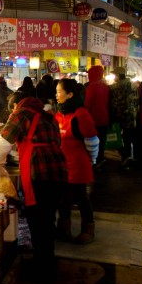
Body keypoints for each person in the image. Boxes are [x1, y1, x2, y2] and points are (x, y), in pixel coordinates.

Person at [0, 90, 68, 284]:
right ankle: (47, 261)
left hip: (39, 172)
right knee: (48, 217)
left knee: (38, 219)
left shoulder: (22, 113)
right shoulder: (47, 115)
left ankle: (42, 270)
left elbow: (2, 142)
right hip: (58, 170)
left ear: (16, 105)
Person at [55, 79, 99, 244]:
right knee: (63, 199)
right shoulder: (59, 114)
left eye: (59, 91)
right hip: (62, 166)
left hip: (78, 165)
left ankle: (88, 229)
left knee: (81, 198)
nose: (56, 94)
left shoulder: (81, 113)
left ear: (70, 94)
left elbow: (92, 139)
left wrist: (92, 158)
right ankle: (64, 228)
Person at [109, 67, 137, 169]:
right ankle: (128, 156)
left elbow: (114, 103)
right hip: (132, 115)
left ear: (117, 76)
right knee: (128, 137)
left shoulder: (114, 87)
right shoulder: (133, 85)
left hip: (120, 115)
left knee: (118, 137)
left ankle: (125, 157)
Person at [84, 65, 110, 167]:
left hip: (94, 119)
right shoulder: (105, 86)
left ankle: (95, 161)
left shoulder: (91, 87)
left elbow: (87, 104)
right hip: (104, 118)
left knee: (93, 142)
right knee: (102, 141)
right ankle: (101, 158)